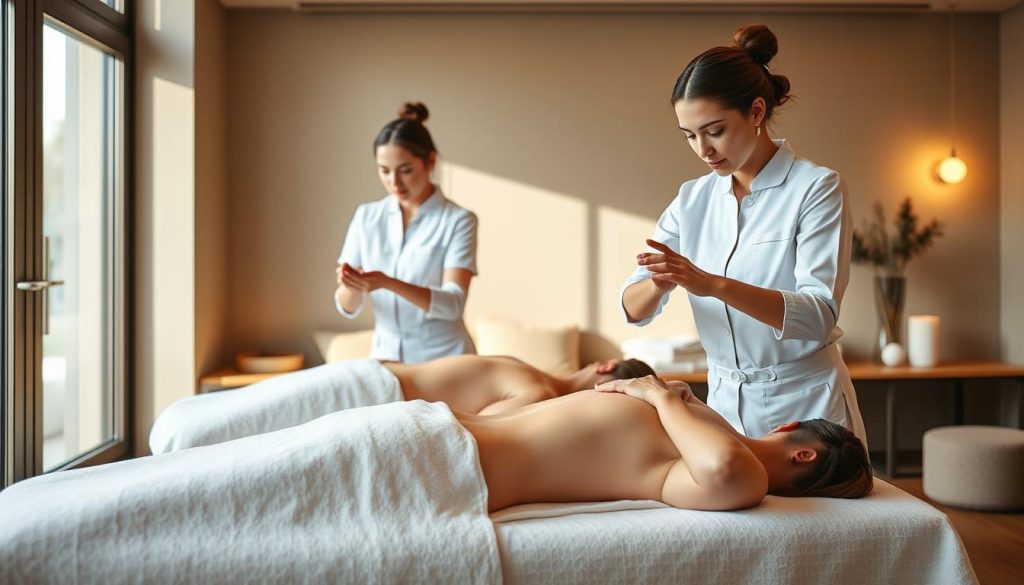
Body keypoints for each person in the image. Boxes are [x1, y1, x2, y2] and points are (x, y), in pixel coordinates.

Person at [619, 25, 867, 445]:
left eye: (714, 130)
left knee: (813, 513)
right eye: (690, 136)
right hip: (723, 405)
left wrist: (711, 284)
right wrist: (659, 284)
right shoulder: (692, 199)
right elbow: (633, 307)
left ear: (755, 112)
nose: (703, 149)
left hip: (806, 407)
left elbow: (818, 315)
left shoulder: (816, 187)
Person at [462, 375, 873, 512]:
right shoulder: (708, 425)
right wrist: (679, 396)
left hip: (462, 462)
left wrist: (659, 396)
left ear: (799, 444)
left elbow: (723, 469)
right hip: (445, 425)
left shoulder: (744, 477)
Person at [149, 354, 656, 453]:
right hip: (369, 388)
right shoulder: (539, 391)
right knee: (224, 429)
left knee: (243, 424)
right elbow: (480, 428)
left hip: (368, 374)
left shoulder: (528, 369)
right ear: (605, 371)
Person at [335, 102, 477, 363]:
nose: (394, 182)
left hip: (447, 361)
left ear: (430, 161)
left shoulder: (458, 220)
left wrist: (386, 282)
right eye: (384, 170)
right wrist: (352, 286)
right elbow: (348, 306)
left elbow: (454, 304)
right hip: (386, 360)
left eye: (405, 170)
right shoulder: (366, 217)